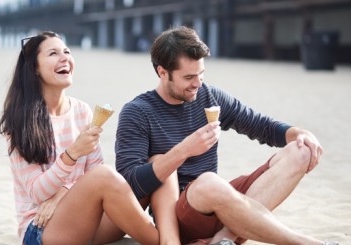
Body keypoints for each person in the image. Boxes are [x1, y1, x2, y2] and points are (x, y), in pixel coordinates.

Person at [115, 26, 338, 245]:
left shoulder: (210, 97)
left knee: (300, 152)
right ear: (162, 72)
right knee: (209, 183)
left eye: (201, 74)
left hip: (220, 204)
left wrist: (300, 133)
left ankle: (223, 240)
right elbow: (130, 185)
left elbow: (261, 126)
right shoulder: (137, 112)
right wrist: (184, 150)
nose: (198, 84)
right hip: (179, 217)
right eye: (189, 77)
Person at [0, 31, 159, 245]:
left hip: (88, 222)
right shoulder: (20, 120)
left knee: (153, 168)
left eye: (67, 51)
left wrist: (62, 193)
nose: (64, 57)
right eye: (53, 53)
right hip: (42, 231)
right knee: (105, 176)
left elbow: (93, 173)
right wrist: (72, 154)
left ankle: (172, 237)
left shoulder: (82, 111)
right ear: (34, 68)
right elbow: (37, 193)